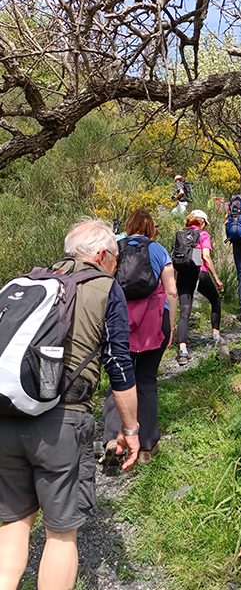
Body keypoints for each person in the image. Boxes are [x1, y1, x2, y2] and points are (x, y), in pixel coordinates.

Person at [0, 217, 139, 590]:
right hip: (61, 424)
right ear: (101, 254)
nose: (116, 265)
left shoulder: (25, 283)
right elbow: (119, 365)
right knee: (61, 534)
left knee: (13, 525)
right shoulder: (105, 288)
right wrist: (130, 429)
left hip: (6, 418)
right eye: (115, 257)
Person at [102, 209, 178, 465]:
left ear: (129, 225)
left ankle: (113, 439)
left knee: (119, 377)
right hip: (153, 322)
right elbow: (172, 291)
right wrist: (170, 324)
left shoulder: (115, 248)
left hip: (120, 322)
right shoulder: (158, 250)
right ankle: (146, 447)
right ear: (150, 228)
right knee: (146, 381)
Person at [176, 209, 225, 365]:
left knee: (184, 312)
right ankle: (216, 337)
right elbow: (205, 257)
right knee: (215, 300)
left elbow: (177, 258)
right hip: (200, 273)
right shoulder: (203, 235)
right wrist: (216, 278)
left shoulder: (181, 234)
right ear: (202, 222)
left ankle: (183, 351)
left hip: (183, 274)